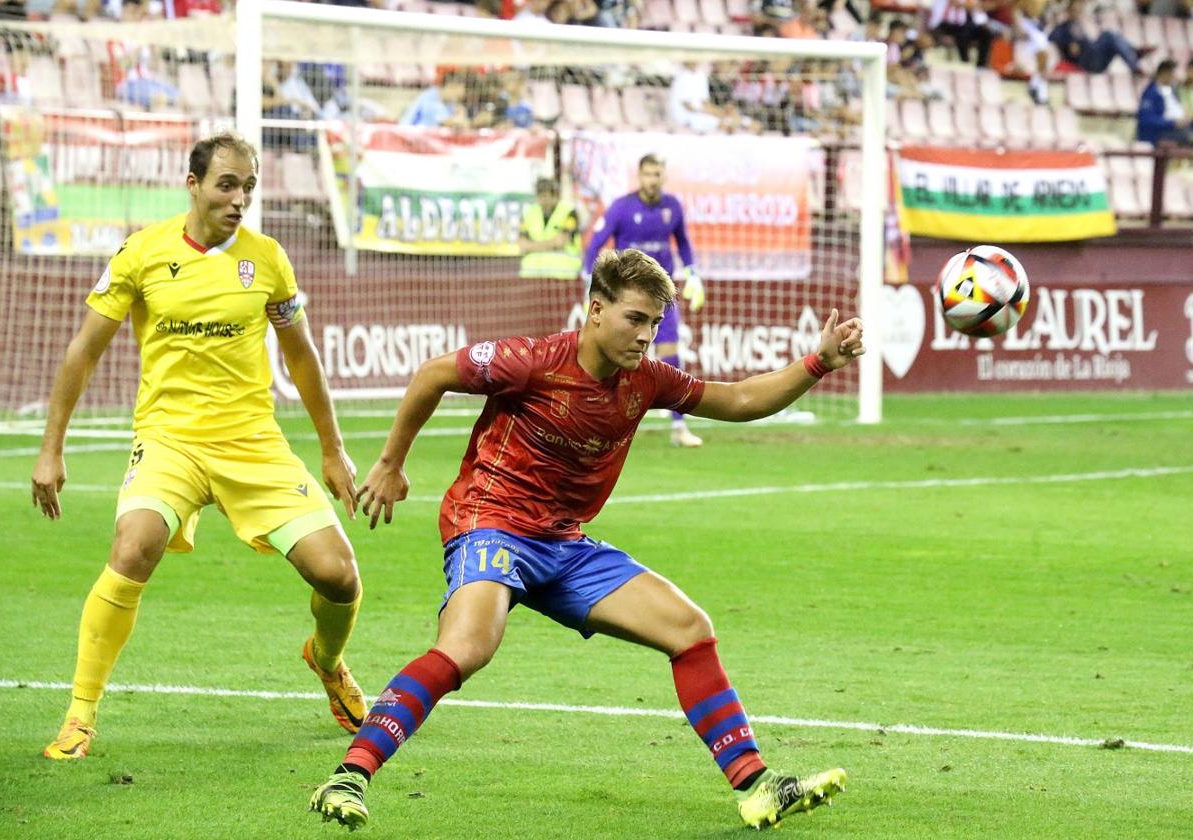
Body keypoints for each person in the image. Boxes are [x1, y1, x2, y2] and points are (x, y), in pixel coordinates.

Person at [307, 248, 861, 831]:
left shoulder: (646, 380)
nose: (646, 335)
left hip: (564, 544)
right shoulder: (531, 361)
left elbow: (740, 399)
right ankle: (348, 776)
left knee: (690, 629)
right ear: (596, 310)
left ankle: (757, 786)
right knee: (469, 647)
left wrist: (817, 363)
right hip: (491, 521)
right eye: (635, 318)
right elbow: (433, 374)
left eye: (654, 323)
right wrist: (391, 463)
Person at [31, 132, 367, 760]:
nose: (239, 199)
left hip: (252, 443)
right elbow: (83, 351)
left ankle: (327, 660)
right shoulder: (142, 253)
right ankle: (80, 715)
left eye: (249, 187)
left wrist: (332, 449)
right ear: (193, 185)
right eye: (227, 185)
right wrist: (52, 449)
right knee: (134, 546)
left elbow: (301, 356)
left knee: (338, 574)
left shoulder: (267, 259)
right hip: (169, 441)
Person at [581, 153, 707, 447]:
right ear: (640, 176)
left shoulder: (672, 207)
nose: (653, 179)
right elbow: (596, 243)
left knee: (670, 352)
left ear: (664, 176)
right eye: (648, 174)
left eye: (658, 174)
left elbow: (684, 242)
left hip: (662, 296)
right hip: (626, 297)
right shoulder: (622, 207)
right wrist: (590, 279)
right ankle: (599, 419)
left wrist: (693, 273)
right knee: (615, 356)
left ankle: (679, 426)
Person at [1048, 0, 1140, 75]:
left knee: (1110, 36)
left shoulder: (1078, 25)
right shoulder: (1062, 29)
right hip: (1085, 62)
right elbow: (1052, 38)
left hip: (1092, 55)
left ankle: (1132, 53)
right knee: (1109, 36)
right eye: (1074, 10)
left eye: (1078, 10)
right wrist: (1068, 45)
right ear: (1068, 11)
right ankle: (1134, 59)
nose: (1077, 12)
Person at [518, 176, 582, 280]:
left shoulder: (569, 211)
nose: (544, 201)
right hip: (532, 274)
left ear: (555, 196)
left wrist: (533, 246)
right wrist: (550, 243)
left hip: (563, 274)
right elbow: (522, 244)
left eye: (547, 196)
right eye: (541, 197)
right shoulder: (528, 213)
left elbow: (561, 240)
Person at [1137, 58, 1193, 146]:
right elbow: (1146, 120)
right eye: (1172, 74)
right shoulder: (1151, 93)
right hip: (1159, 133)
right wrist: (1173, 123)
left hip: (1178, 129)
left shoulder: (1171, 91)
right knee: (1189, 136)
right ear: (1164, 73)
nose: (1174, 77)